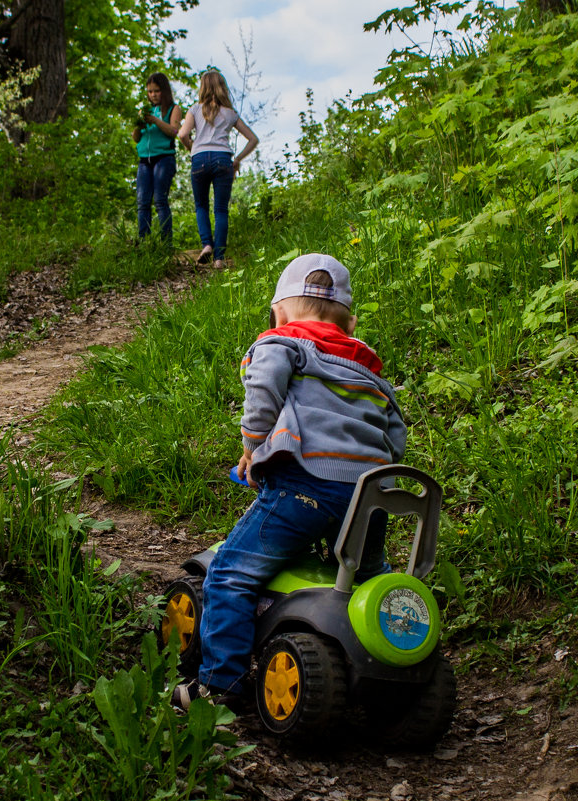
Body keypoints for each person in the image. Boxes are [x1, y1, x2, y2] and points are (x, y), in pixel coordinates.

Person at [172, 253, 407, 708]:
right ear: (350, 323)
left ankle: (220, 685)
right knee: (367, 584)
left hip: (306, 487)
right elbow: (395, 436)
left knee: (230, 574)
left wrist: (252, 443)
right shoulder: (368, 370)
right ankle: (390, 669)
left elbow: (263, 391)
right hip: (372, 497)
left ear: (279, 312)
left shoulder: (282, 343)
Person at [177, 70, 258, 266]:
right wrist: (237, 159)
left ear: (203, 87)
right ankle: (219, 258)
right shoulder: (230, 113)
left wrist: (192, 149)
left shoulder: (195, 110)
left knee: (201, 205)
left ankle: (207, 245)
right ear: (222, 87)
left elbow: (182, 134)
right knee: (221, 209)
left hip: (200, 158)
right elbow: (253, 139)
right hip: (223, 159)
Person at [132, 73, 183, 241]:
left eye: (156, 91)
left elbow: (174, 131)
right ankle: (144, 241)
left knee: (160, 200)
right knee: (142, 202)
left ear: (164, 91)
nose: (153, 95)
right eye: (150, 91)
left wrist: (155, 120)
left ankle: (165, 243)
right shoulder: (143, 110)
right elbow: (136, 138)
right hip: (144, 160)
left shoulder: (173, 109)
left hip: (163, 158)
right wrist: (139, 124)